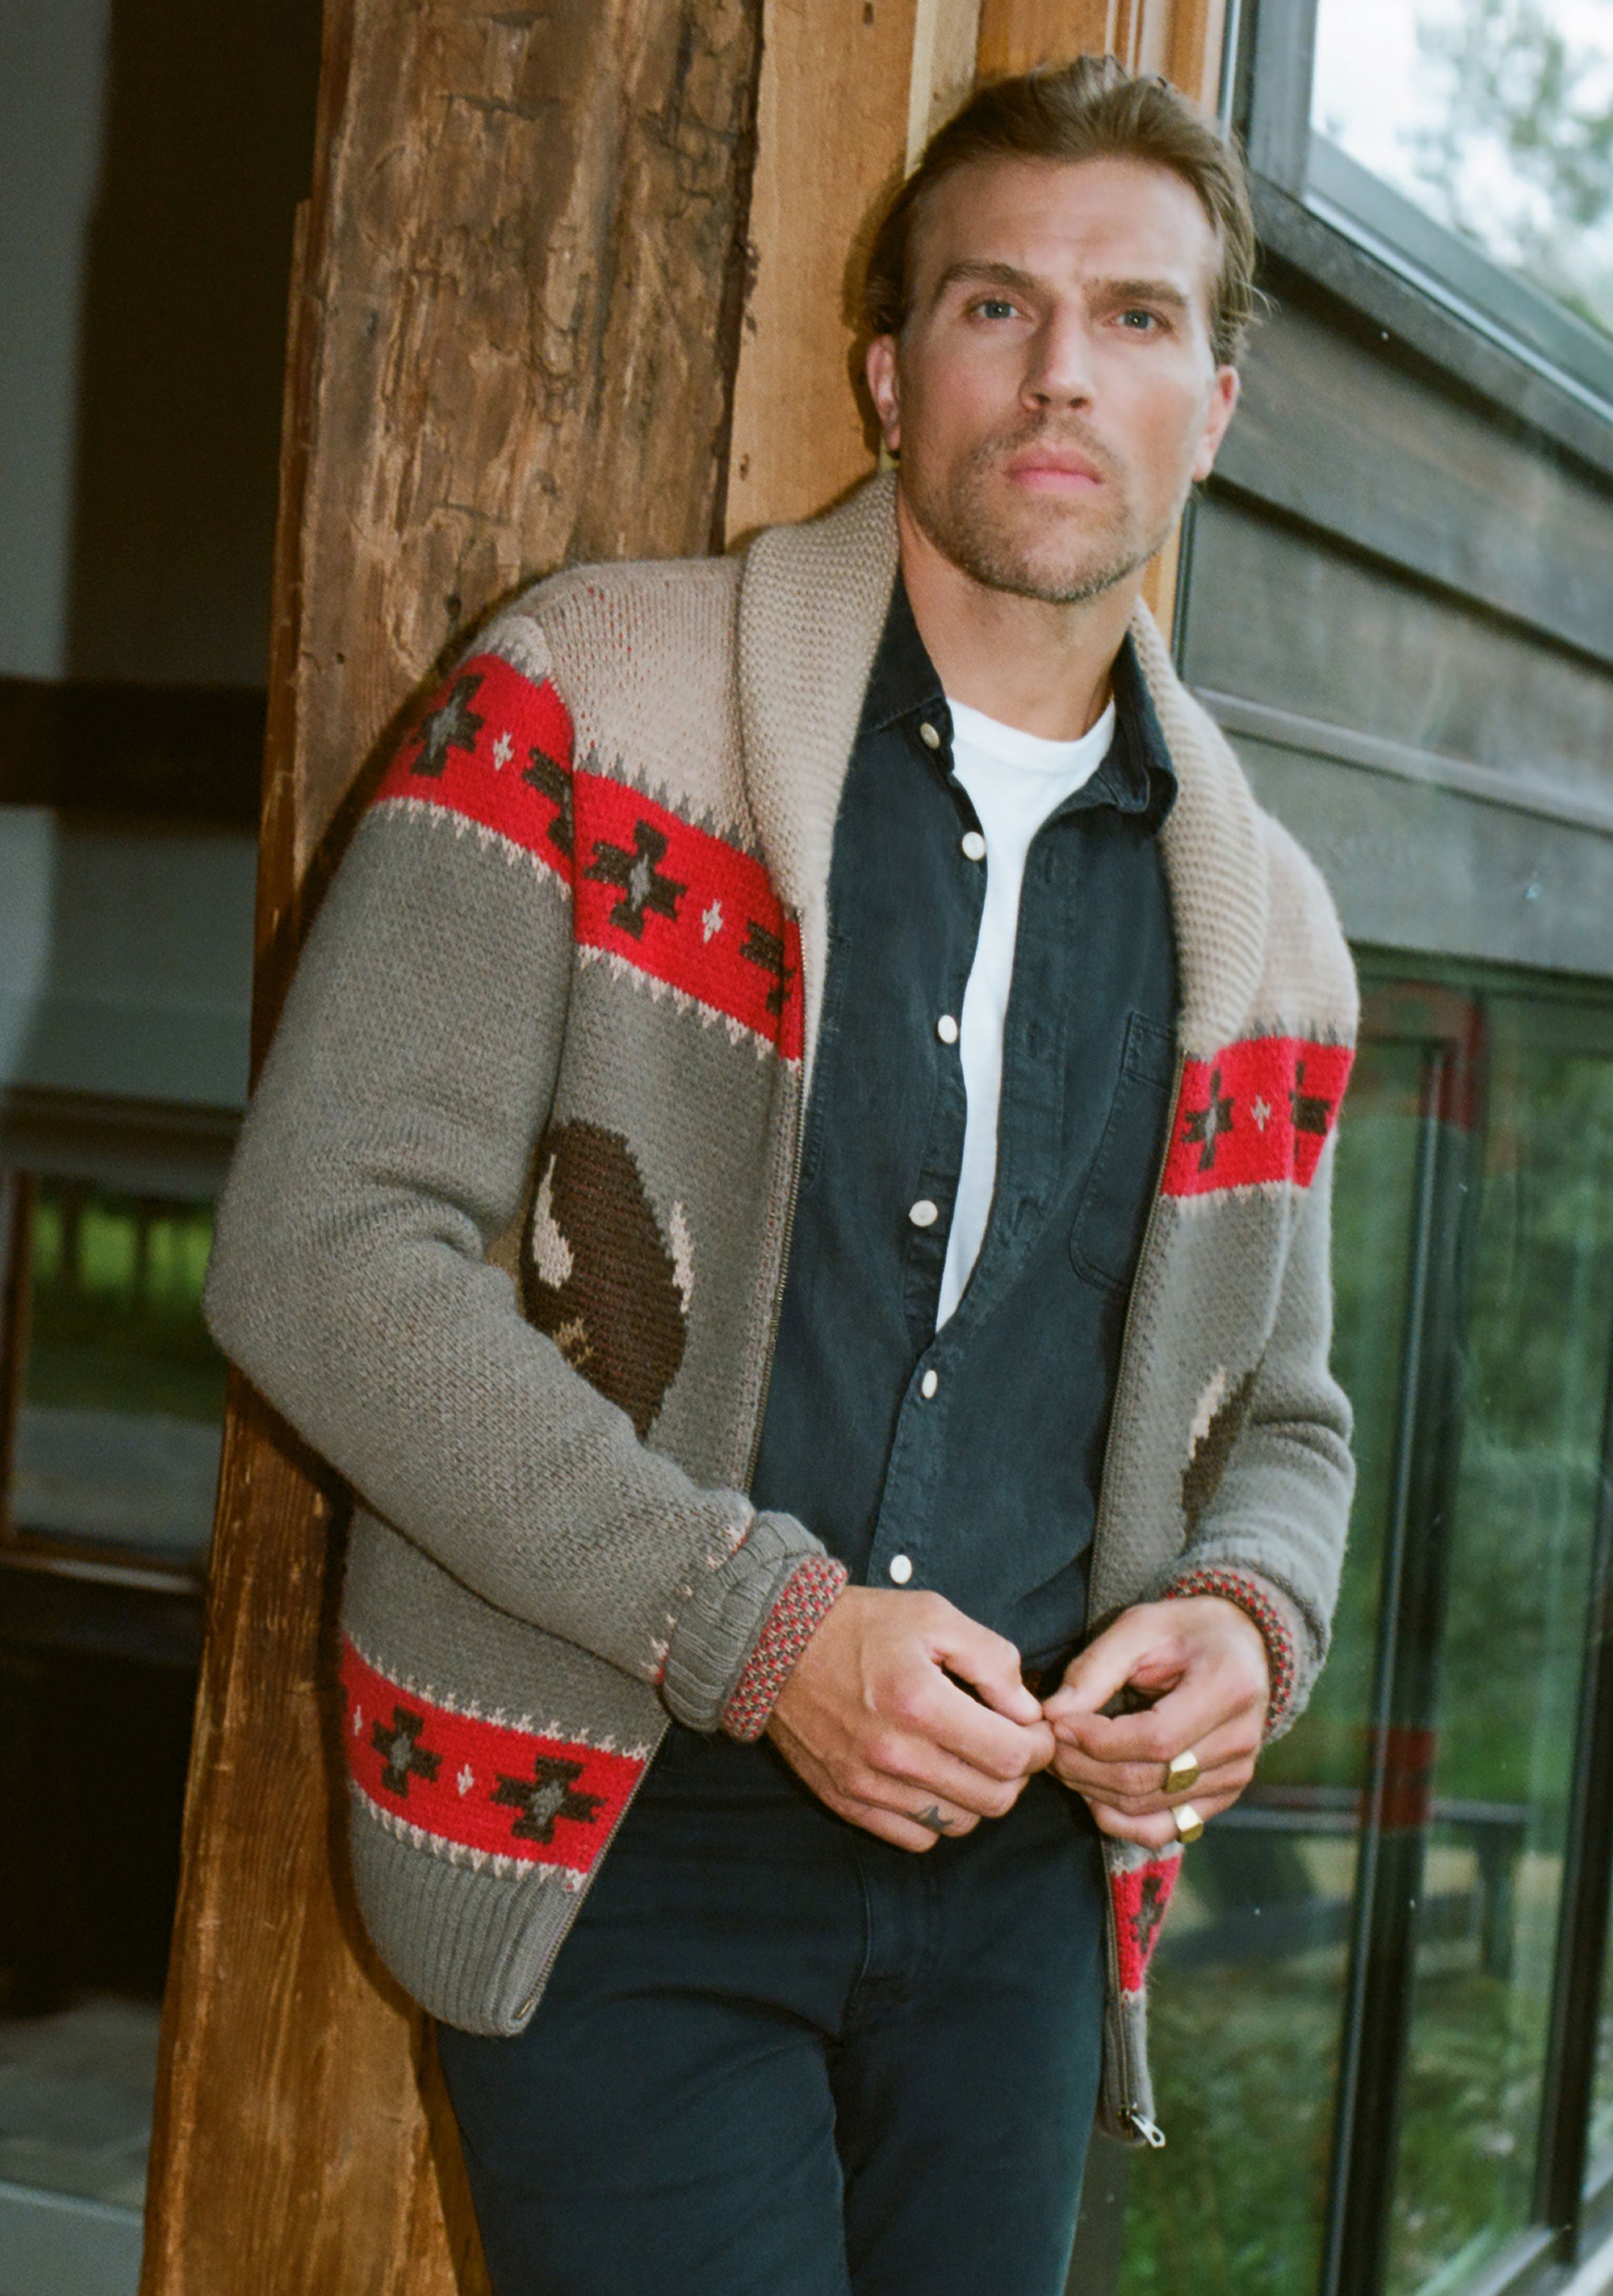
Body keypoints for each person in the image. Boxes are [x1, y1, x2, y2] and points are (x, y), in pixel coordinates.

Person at [205, 54, 1357, 2296]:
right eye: (992, 305)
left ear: (1212, 407)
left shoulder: (1275, 926)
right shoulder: (581, 693)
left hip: (1026, 1883)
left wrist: (1244, 1617)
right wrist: (771, 1632)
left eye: (1134, 320)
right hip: (616, 1812)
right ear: (886, 367)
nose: (1058, 374)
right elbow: (320, 1255)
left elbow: (1286, 1419)